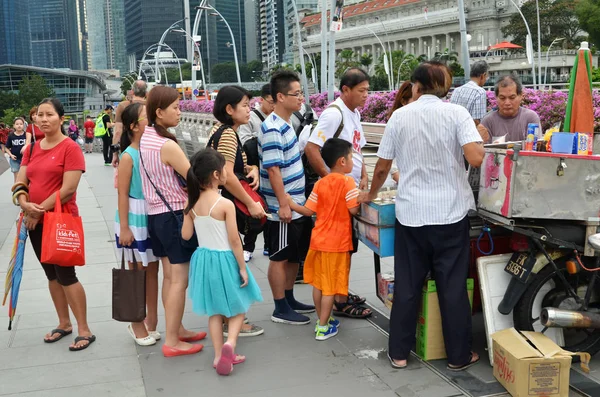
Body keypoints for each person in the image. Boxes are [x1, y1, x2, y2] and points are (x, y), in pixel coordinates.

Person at [361, 62, 484, 371]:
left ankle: (399, 353)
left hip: (411, 214)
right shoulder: (457, 113)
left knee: (408, 284)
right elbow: (476, 157)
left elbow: (382, 166)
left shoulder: (399, 118)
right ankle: (458, 356)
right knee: (452, 286)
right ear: (445, 88)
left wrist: (371, 195)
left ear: (415, 87)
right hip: (450, 213)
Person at [14, 98, 95, 351]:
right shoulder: (32, 149)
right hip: (33, 220)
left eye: (50, 114)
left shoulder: (70, 148)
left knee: (66, 275)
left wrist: (37, 211)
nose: (44, 119)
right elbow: (20, 180)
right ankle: (64, 323)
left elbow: (68, 189)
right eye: (40, 115)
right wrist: (24, 203)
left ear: (61, 119)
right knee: (51, 274)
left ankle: (84, 329)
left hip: (59, 221)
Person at [183, 148, 263, 375]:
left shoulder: (191, 205)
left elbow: (186, 236)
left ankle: (218, 356)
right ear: (217, 175)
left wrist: (186, 213)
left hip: (204, 259)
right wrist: (242, 268)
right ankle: (231, 345)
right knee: (238, 307)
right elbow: (235, 241)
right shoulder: (225, 204)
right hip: (225, 259)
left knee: (214, 312)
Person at [139, 86, 206, 357]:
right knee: (179, 279)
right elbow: (194, 179)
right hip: (176, 215)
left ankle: (175, 329)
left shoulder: (146, 139)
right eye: (176, 107)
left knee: (169, 277)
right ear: (159, 112)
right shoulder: (167, 144)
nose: (180, 111)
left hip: (156, 215)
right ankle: (172, 342)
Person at [305, 67, 371, 319]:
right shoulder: (333, 114)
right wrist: (332, 182)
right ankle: (339, 301)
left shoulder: (353, 113)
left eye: (367, 90)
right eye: (362, 91)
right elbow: (312, 148)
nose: (366, 95)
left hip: (350, 190)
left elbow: (358, 149)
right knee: (340, 248)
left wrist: (363, 175)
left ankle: (341, 292)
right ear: (345, 90)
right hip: (340, 196)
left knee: (349, 247)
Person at [207, 85, 266, 337]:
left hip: (211, 205)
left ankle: (225, 319)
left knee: (227, 263)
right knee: (234, 263)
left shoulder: (218, 130)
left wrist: (251, 167)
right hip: (226, 206)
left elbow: (233, 167)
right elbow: (227, 175)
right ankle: (235, 322)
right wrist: (251, 203)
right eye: (244, 105)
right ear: (229, 109)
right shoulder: (230, 134)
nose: (249, 109)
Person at [258, 70, 315, 325]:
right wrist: (282, 204)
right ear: (280, 96)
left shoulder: (287, 123)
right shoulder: (271, 127)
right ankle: (280, 307)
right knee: (280, 256)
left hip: (296, 202)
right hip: (283, 206)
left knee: (293, 255)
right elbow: (273, 169)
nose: (301, 98)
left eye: (301, 93)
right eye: (296, 93)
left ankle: (289, 298)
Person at [288, 138, 360, 340]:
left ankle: (324, 319)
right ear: (342, 162)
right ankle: (322, 327)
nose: (353, 161)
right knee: (330, 286)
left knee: (319, 284)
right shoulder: (348, 182)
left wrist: (290, 203)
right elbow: (353, 209)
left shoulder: (320, 183)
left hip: (318, 240)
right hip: (336, 243)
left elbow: (308, 210)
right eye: (351, 157)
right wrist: (362, 198)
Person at [115, 102, 160, 346]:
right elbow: (122, 194)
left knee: (152, 270)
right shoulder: (128, 156)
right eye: (146, 119)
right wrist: (124, 227)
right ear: (133, 126)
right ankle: (136, 323)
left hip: (152, 213)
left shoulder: (152, 150)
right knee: (135, 273)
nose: (150, 122)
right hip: (134, 215)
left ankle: (151, 322)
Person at [237, 83, 274, 260]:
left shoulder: (279, 116)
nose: (274, 105)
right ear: (262, 99)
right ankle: (248, 247)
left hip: (270, 167)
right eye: (271, 101)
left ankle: (268, 245)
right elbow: (245, 140)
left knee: (268, 206)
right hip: (253, 169)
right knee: (255, 204)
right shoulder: (251, 117)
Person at [479, 75, 541, 143]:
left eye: (512, 98)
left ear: (520, 96)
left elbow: (536, 147)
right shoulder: (488, 121)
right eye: (502, 98)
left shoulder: (530, 118)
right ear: (496, 97)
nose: (507, 103)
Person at [112, 80, 148, 167]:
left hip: (127, 145)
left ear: (132, 92)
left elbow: (118, 131)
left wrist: (115, 154)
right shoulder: (151, 106)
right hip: (148, 145)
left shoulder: (123, 106)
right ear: (146, 93)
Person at [387, 81, 415, 184]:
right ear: (403, 101)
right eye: (415, 101)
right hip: (403, 186)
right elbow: (392, 166)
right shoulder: (397, 122)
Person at [450, 60, 489, 126]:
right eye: (486, 77)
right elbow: (477, 121)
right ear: (483, 75)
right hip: (469, 133)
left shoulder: (456, 90)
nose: (486, 79)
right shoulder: (480, 92)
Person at [4, 117, 27, 183]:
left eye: (21, 124)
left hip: (25, 159)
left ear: (23, 125)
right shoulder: (11, 136)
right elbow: (6, 147)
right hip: (15, 159)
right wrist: (11, 155)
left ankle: (24, 191)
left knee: (25, 176)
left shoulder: (26, 135)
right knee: (16, 176)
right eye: (17, 124)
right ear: (14, 125)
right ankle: (16, 191)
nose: (19, 125)